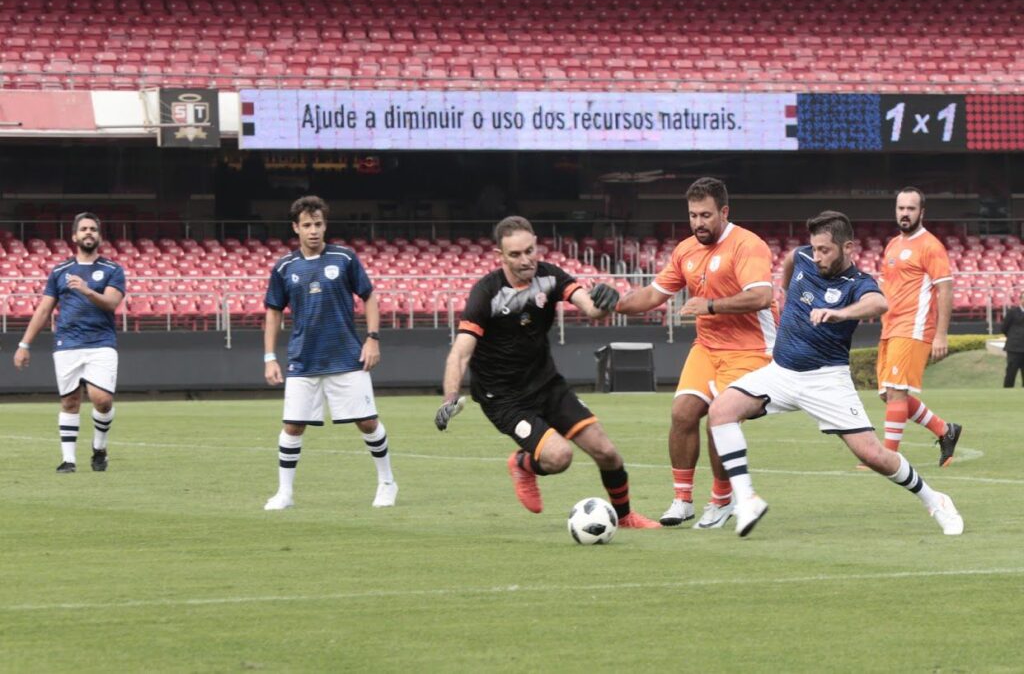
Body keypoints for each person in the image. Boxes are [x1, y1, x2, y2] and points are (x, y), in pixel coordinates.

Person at [706, 211, 964, 537]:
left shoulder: (859, 283)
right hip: (780, 373)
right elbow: (789, 261)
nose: (817, 257)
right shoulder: (802, 258)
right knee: (720, 411)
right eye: (814, 249)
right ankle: (746, 499)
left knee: (873, 455)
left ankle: (935, 500)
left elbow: (878, 304)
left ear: (848, 248)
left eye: (825, 250)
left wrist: (840, 313)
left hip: (826, 380)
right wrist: (789, 294)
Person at [435, 215, 660, 529]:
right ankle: (522, 464)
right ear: (500, 257)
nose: (525, 259)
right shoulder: (486, 293)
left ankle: (625, 518)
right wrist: (448, 399)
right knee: (558, 457)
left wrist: (607, 300)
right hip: (504, 398)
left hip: (547, 384)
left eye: (529, 250)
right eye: (515, 254)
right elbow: (460, 353)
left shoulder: (550, 277)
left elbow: (592, 309)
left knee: (606, 451)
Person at [614, 177, 778, 529]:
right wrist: (613, 303)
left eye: (706, 215)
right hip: (706, 347)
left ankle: (720, 501)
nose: (698, 223)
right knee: (683, 413)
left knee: (720, 415)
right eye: (692, 215)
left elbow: (762, 296)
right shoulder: (686, 250)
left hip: (751, 349)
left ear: (724, 212)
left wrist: (711, 305)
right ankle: (682, 500)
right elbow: (652, 295)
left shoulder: (748, 245)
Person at [262, 195, 397, 510]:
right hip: (303, 359)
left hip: (346, 358)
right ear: (296, 228)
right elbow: (273, 312)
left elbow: (370, 297)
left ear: (325, 225)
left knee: (367, 422)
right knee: (293, 426)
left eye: (318, 224)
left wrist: (373, 338)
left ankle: (387, 482)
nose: (313, 230)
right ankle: (285, 493)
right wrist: (269, 357)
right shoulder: (284, 267)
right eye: (307, 225)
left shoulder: (345, 258)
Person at [13, 212, 125, 473]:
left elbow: (111, 302)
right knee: (70, 401)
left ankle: (99, 448)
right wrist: (24, 345)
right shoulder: (60, 271)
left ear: (99, 236)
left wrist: (86, 290)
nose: (89, 233)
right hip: (68, 343)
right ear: (74, 236)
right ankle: (68, 460)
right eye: (84, 229)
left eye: (93, 229)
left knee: (102, 400)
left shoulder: (112, 270)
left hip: (101, 342)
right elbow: (43, 310)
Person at [876, 187, 961, 467]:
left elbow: (945, 290)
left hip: (914, 327)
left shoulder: (931, 246)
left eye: (911, 208)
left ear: (921, 212)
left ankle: (888, 458)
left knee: (897, 393)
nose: (905, 213)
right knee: (889, 395)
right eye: (901, 208)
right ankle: (944, 430)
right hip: (890, 327)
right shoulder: (892, 245)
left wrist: (941, 333)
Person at [1001, 291, 1024, 387]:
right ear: (1020, 299)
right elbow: (1004, 328)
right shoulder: (1013, 312)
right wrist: (1012, 337)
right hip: (1014, 349)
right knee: (1010, 374)